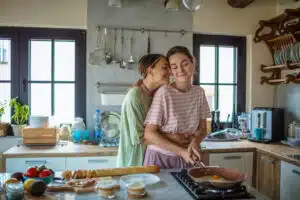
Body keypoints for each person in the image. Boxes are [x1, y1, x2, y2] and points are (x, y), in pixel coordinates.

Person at [143, 46, 211, 169]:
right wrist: (181, 151)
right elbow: (149, 133)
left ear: (193, 62)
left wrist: (195, 142)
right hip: (159, 158)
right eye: (174, 67)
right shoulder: (164, 93)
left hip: (186, 157)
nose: (180, 70)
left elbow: (203, 129)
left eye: (185, 64)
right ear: (171, 71)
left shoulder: (199, 93)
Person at [116, 54, 170, 167]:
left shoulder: (154, 95)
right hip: (134, 165)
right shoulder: (135, 95)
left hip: (149, 162)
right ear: (150, 70)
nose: (169, 72)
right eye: (164, 67)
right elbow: (141, 138)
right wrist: (176, 140)